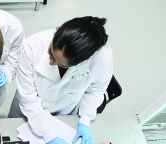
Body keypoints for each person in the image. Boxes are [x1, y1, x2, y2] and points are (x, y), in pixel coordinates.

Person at [8, 16, 112, 144]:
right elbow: (28, 98)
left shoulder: (102, 57)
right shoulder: (32, 45)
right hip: (27, 112)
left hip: (64, 113)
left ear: (81, 61)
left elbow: (96, 90)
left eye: (60, 64)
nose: (51, 62)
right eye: (51, 53)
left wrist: (85, 120)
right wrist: (47, 134)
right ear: (57, 30)